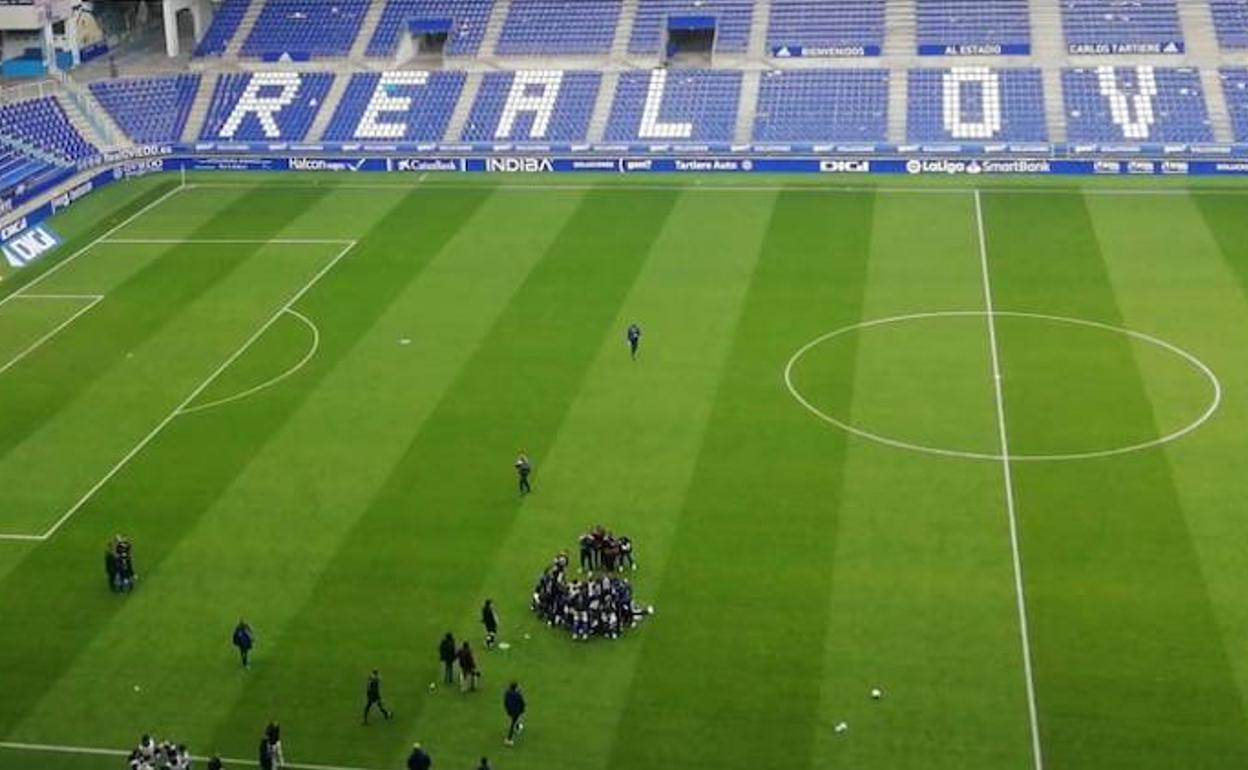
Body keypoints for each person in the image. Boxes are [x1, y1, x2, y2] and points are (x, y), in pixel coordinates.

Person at [503, 682, 526, 747]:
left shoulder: (507, 693)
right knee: (513, 723)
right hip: (516, 711)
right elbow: (522, 703)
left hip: (510, 710)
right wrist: (522, 710)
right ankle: (508, 739)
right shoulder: (517, 695)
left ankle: (518, 727)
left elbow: (505, 702)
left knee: (515, 721)